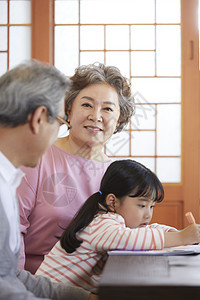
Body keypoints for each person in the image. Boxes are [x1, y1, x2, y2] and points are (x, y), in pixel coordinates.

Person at [17, 62, 135, 274]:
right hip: (37, 282)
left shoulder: (118, 174)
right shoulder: (37, 157)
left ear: (118, 121)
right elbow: (13, 230)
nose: (96, 116)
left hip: (97, 284)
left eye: (107, 108)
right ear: (68, 110)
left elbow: (127, 236)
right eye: (87, 105)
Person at [0, 60, 95, 299]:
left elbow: (11, 276)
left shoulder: (8, 179)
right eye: (61, 123)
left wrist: (85, 297)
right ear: (39, 118)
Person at [36, 159, 200, 294]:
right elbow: (128, 239)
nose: (148, 214)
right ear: (112, 201)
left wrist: (175, 232)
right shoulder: (101, 223)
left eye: (152, 207)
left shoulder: (107, 218)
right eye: (142, 206)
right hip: (45, 295)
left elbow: (144, 230)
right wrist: (180, 237)